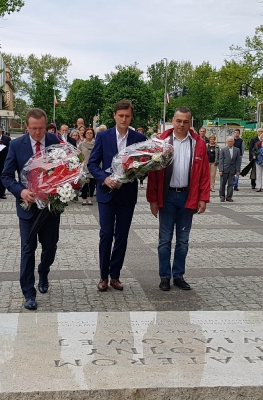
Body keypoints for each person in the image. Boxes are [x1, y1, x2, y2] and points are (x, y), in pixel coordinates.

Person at [1, 108, 62, 311]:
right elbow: (6, 176)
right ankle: (28, 292)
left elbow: (67, 169)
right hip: (27, 207)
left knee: (50, 247)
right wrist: (21, 191)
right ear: (26, 127)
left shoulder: (56, 142)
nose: (38, 133)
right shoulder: (17, 145)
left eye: (41, 128)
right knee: (28, 249)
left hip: (50, 207)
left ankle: (44, 271)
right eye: (34, 128)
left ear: (47, 126)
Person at [147, 107, 210, 292]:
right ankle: (164, 276)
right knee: (164, 240)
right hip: (167, 197)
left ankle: (179, 275)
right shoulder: (162, 142)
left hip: (187, 196)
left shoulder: (198, 143)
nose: (181, 124)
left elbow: (204, 172)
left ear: (190, 123)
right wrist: (152, 199)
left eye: (185, 121)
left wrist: (203, 198)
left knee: (183, 241)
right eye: (179, 121)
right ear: (173, 121)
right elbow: (153, 173)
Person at [88, 100, 147, 292]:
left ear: (131, 117)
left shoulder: (139, 138)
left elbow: (144, 165)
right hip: (107, 193)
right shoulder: (103, 136)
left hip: (127, 194)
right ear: (114, 115)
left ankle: (115, 275)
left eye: (127, 116)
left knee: (122, 236)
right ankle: (103, 276)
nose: (124, 119)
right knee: (106, 234)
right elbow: (92, 164)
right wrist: (105, 179)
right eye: (120, 116)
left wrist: (139, 171)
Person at [218, 136, 242, 202]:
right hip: (224, 169)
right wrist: (220, 170)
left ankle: (229, 196)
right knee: (222, 184)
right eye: (229, 141)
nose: (230, 143)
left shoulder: (237, 150)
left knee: (231, 184)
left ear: (233, 142)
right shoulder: (223, 150)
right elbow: (221, 160)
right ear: (227, 142)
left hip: (232, 169)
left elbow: (238, 161)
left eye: (231, 141)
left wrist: (238, 170)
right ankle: (222, 196)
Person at [79, 128, 96, 205]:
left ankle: (90, 198)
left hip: (93, 166)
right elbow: (78, 155)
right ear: (85, 134)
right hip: (84, 166)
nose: (89, 134)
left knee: (92, 184)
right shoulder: (81, 144)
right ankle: (84, 198)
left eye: (90, 133)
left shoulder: (96, 144)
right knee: (84, 183)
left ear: (93, 134)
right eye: (87, 133)